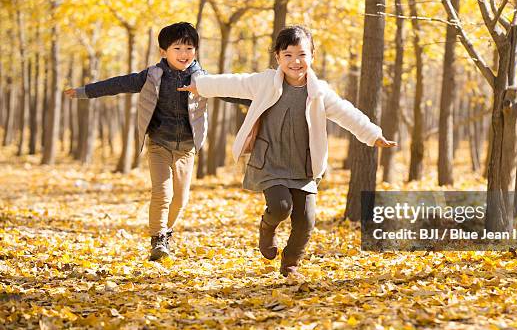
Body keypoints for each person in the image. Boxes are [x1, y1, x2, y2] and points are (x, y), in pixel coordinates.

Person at [178, 25, 396, 276]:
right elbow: (234, 83)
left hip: (303, 164)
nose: (295, 61)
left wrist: (373, 134)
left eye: (302, 55)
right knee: (281, 206)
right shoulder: (265, 82)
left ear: (312, 56)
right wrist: (200, 85)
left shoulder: (319, 91)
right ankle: (267, 227)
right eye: (288, 55)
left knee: (306, 221)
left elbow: (347, 113)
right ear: (278, 57)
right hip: (270, 160)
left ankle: (290, 263)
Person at [64, 22, 247, 261]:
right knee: (162, 193)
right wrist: (84, 91)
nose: (184, 54)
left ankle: (165, 232)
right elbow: (118, 83)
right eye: (178, 48)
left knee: (181, 199)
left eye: (189, 48)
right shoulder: (152, 76)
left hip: (186, 149)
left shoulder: (202, 78)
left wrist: (258, 101)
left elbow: (228, 92)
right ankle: (158, 240)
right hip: (159, 143)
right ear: (163, 51)